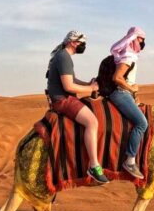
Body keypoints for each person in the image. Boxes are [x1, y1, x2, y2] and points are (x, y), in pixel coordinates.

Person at [46, 30, 109, 184]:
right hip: (63, 100)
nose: (83, 45)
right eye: (81, 42)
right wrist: (91, 89)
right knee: (92, 122)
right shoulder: (64, 57)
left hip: (64, 97)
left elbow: (72, 79)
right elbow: (68, 86)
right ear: (73, 42)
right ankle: (94, 166)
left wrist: (88, 84)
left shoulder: (63, 56)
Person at [108, 27, 148, 179]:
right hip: (121, 93)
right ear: (133, 38)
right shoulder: (127, 56)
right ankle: (130, 161)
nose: (142, 42)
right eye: (140, 39)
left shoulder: (129, 55)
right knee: (142, 123)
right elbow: (117, 78)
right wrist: (131, 88)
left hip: (126, 94)